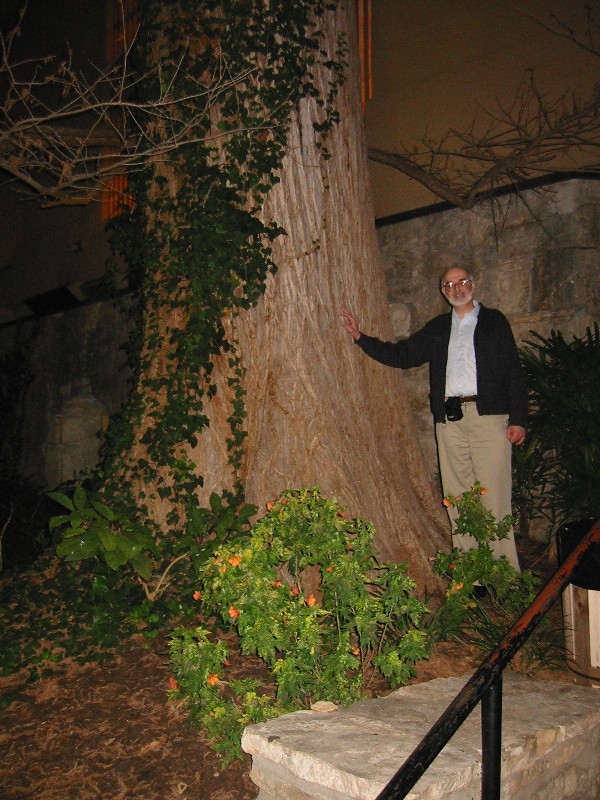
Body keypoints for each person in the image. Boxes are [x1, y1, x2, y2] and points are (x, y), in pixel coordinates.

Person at [340, 267, 527, 571]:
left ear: (473, 285)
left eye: (462, 282)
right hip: (449, 421)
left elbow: (514, 372)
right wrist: (360, 336)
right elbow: (402, 355)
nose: (456, 288)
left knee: (494, 497)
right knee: (457, 498)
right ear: (443, 291)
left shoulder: (494, 322)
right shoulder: (439, 327)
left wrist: (519, 418)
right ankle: (471, 574)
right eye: (449, 284)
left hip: (488, 418)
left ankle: (503, 574)